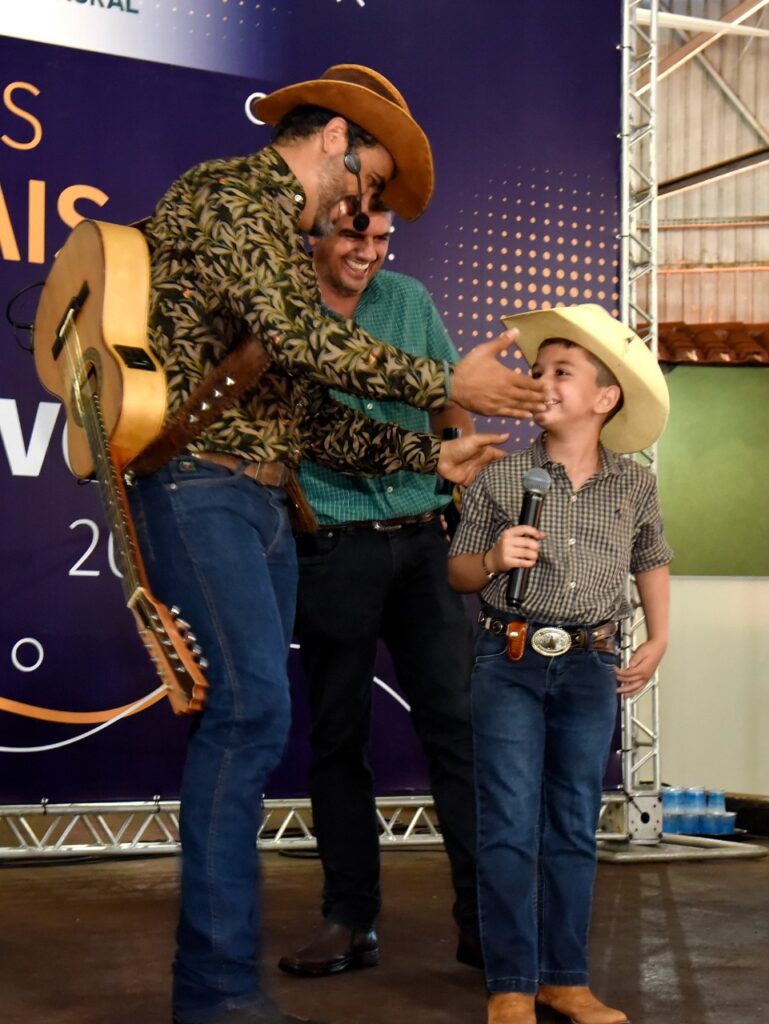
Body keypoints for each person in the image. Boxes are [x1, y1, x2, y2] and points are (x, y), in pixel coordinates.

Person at [128, 65, 546, 1024]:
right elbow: (302, 341)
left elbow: (310, 414)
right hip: (201, 485)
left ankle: (224, 987)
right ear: (333, 142)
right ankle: (217, 993)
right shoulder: (229, 195)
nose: (363, 209)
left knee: (256, 721)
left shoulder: (279, 237)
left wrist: (429, 455)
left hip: (263, 498)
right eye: (371, 182)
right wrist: (447, 384)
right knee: (250, 719)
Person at [448, 304, 672, 1024]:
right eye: (537, 369)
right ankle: (511, 983)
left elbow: (651, 559)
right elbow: (458, 570)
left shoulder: (634, 484)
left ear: (605, 399)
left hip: (590, 665)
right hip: (508, 659)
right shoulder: (503, 475)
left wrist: (659, 637)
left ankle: (565, 979)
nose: (542, 380)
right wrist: (491, 559)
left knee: (573, 822)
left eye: (562, 371)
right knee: (508, 823)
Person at [277, 207, 481, 979]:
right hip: (330, 547)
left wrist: (456, 459)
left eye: (380, 238)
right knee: (338, 738)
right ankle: (350, 920)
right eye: (351, 235)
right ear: (314, 232)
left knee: (459, 730)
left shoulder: (411, 299)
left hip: (424, 541)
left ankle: (484, 922)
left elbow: (447, 399)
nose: (367, 251)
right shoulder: (281, 306)